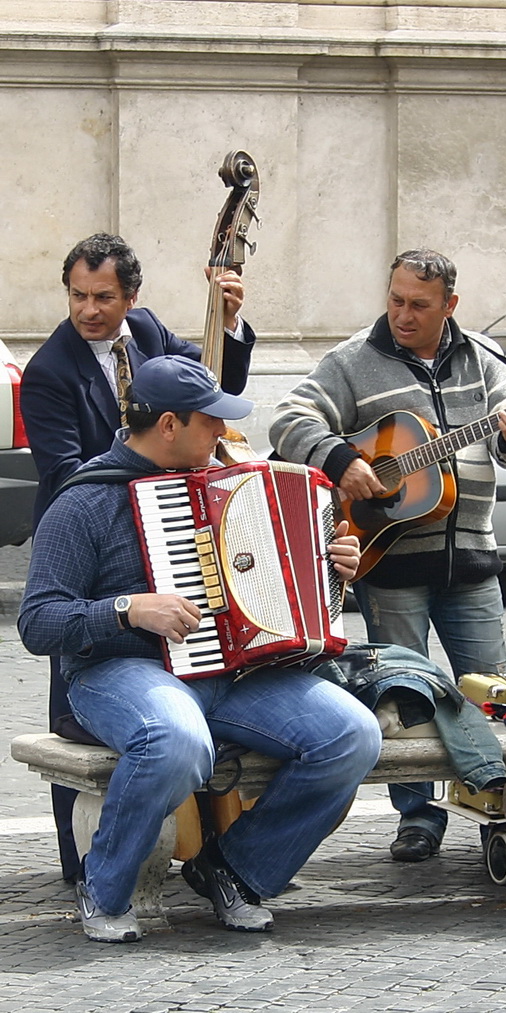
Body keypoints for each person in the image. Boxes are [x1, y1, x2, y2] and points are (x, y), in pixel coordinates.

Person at [18, 356, 381, 942]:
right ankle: (103, 885)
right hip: (119, 670)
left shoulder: (233, 486)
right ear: (168, 425)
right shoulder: (83, 500)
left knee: (353, 734)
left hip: (232, 673)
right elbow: (39, 623)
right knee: (176, 738)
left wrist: (334, 574)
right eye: (209, 421)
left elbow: (277, 593)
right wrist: (128, 608)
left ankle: (233, 869)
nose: (222, 433)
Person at [270, 249, 506, 863]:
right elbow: (289, 418)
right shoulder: (352, 361)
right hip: (387, 561)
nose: (403, 314)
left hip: (471, 558)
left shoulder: (481, 361)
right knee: (405, 697)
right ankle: (417, 817)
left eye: (419, 304)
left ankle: (491, 812)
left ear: (450, 304)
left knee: (488, 694)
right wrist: (343, 459)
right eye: (395, 300)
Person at [22, 233, 257, 883]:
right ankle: (83, 861)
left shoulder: (148, 332)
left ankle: (220, 848)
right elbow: (68, 471)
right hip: (89, 544)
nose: (89, 309)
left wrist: (227, 325)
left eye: (103, 296)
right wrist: (151, 481)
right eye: (77, 295)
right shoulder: (49, 371)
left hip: (169, 532)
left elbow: (209, 396)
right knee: (76, 691)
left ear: (132, 296)